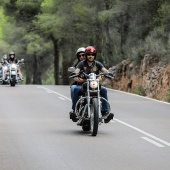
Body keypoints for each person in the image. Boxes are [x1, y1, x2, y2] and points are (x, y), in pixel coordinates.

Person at [70, 46, 114, 123]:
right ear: (86, 55)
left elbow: (104, 70)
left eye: (93, 54)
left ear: (95, 55)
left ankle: (105, 111)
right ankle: (75, 111)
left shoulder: (97, 64)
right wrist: (75, 73)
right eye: (89, 54)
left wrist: (108, 73)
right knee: (76, 89)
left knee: (103, 90)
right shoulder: (81, 64)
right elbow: (76, 71)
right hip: (84, 85)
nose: (91, 56)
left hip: (94, 85)